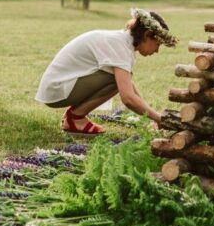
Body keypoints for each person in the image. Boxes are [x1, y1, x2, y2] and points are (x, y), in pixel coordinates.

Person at [35, 9, 177, 136]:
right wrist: (159, 118)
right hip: (56, 89)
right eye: (157, 44)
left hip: (60, 85)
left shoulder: (123, 42)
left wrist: (153, 117)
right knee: (115, 80)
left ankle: (75, 116)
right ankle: (75, 118)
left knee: (120, 80)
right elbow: (128, 98)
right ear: (146, 35)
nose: (157, 51)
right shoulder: (120, 45)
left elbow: (130, 87)